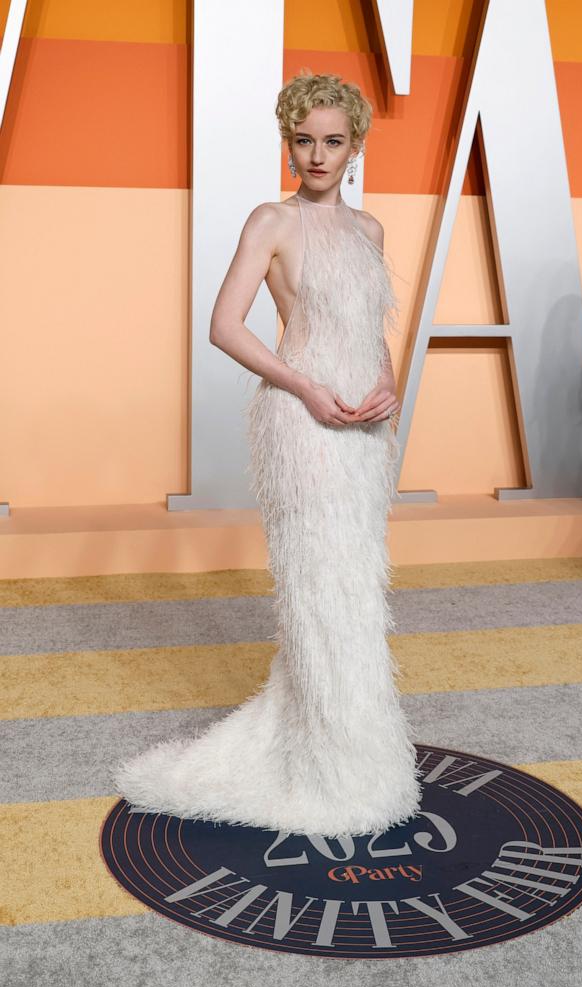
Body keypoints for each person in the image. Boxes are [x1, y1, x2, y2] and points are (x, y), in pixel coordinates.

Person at [112, 71, 423, 839]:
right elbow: (226, 325)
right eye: (303, 140)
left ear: (355, 146)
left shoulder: (368, 231)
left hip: (363, 432)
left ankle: (352, 749)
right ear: (287, 140)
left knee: (353, 583)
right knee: (318, 587)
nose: (316, 156)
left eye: (332, 141)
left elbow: (368, 333)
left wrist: (387, 385)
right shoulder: (270, 221)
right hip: (302, 424)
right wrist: (306, 389)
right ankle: (324, 762)